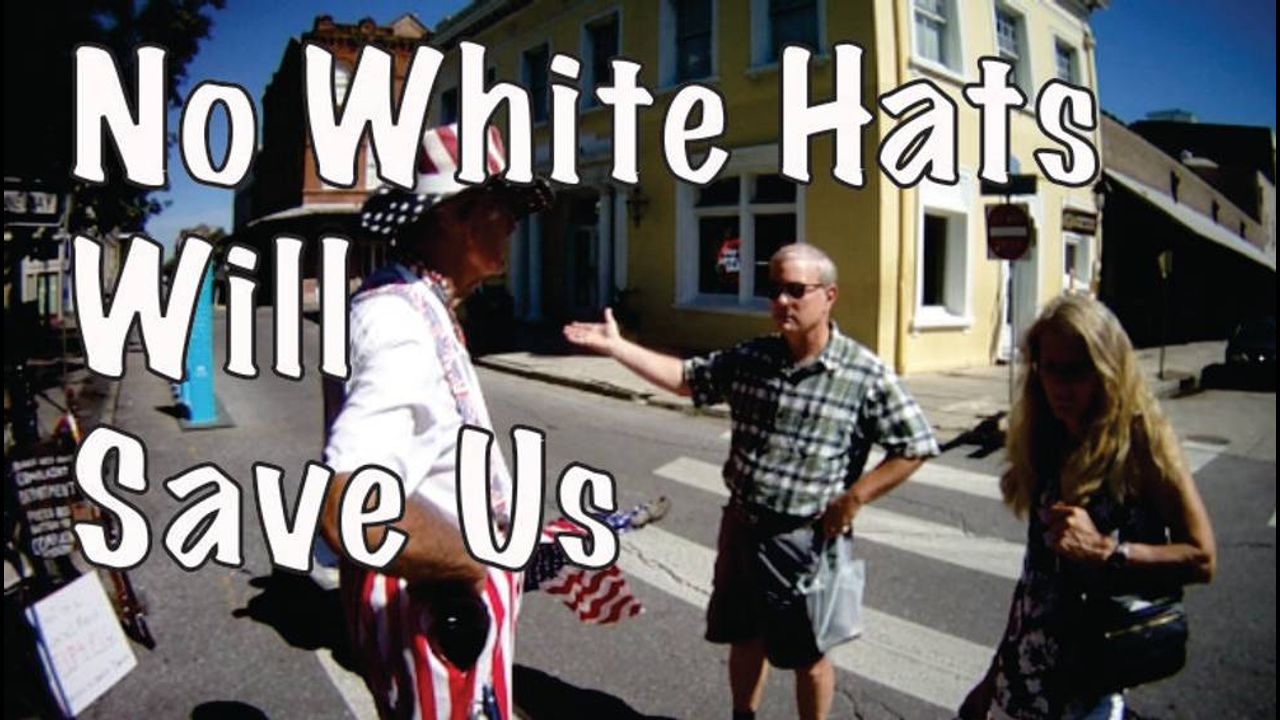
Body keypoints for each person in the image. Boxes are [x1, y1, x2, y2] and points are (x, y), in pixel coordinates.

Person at [563, 243, 940, 720]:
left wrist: (854, 498)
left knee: (808, 654)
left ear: (829, 296)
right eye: (774, 289)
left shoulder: (864, 373)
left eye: (796, 290)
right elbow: (686, 379)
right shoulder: (753, 357)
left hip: (803, 539)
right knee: (743, 636)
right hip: (742, 526)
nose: (782, 301)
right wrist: (618, 347)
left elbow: (915, 444)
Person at [319, 124, 552, 720]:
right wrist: (474, 562)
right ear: (453, 215)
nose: (515, 224)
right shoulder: (397, 320)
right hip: (437, 611)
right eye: (504, 207)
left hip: (440, 601)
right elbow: (352, 507)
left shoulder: (420, 302)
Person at [960, 294, 1217, 719]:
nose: (1061, 387)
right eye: (1050, 369)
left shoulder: (1142, 443)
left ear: (1107, 368)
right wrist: (991, 679)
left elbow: (1203, 558)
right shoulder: (1048, 438)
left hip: (1087, 688)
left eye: (1077, 370)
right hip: (1021, 683)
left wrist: (1107, 551)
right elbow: (1034, 581)